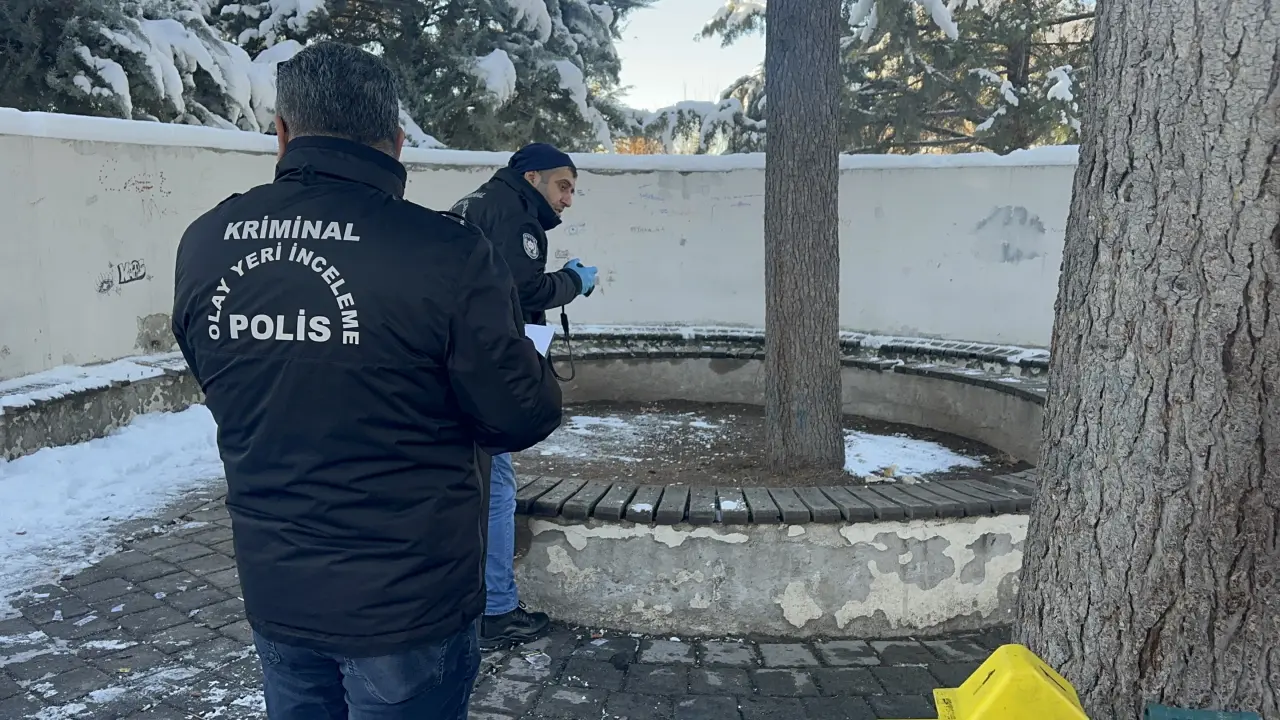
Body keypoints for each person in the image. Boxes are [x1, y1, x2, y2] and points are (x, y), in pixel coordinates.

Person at [170, 41, 563, 720]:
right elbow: (520, 414)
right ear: (397, 141)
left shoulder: (207, 240)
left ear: (283, 132)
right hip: (408, 603)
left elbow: (216, 372)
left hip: (279, 588)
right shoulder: (446, 252)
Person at [451, 144, 596, 650]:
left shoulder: (477, 203)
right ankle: (495, 609)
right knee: (497, 489)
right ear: (532, 178)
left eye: (572, 189)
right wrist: (574, 281)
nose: (568, 199)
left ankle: (464, 601)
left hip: (453, 361)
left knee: (470, 484)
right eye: (563, 185)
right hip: (483, 369)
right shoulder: (517, 217)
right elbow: (523, 290)